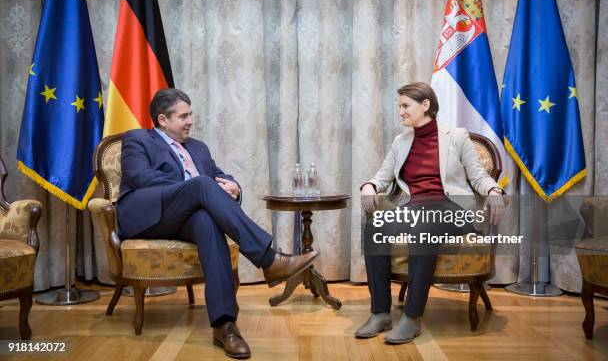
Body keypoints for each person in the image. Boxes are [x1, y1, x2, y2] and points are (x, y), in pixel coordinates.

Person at [116, 88, 318, 359]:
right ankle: (268, 259)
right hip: (148, 217)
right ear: (163, 120)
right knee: (201, 185)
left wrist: (233, 187)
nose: (190, 121)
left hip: (186, 218)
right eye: (183, 116)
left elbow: (218, 175)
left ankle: (224, 326)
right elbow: (141, 178)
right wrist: (196, 188)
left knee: (206, 221)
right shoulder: (138, 139)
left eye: (191, 115)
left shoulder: (198, 147)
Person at [356, 82, 505, 344]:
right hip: (414, 208)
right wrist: (369, 185)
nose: (401, 111)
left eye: (406, 106)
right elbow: (382, 176)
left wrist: (493, 191)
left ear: (425, 105)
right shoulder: (401, 142)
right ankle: (380, 312)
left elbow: (478, 175)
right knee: (375, 227)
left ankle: (412, 318)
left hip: (451, 210)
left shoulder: (456, 137)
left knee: (424, 227)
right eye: (399, 106)